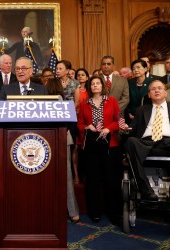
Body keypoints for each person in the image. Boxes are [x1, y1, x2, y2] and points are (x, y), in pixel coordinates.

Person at [124, 80, 170, 202]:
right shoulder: (141, 110)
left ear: (165, 92)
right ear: (149, 94)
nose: (157, 90)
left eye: (159, 88)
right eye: (153, 89)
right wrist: (126, 129)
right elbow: (133, 128)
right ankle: (146, 191)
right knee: (131, 141)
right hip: (146, 143)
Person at [77, 75, 121, 224]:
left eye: (98, 83)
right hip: (91, 146)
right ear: (90, 87)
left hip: (110, 145)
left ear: (102, 86)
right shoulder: (84, 103)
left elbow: (118, 120)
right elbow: (79, 123)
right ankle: (94, 212)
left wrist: (109, 128)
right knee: (93, 181)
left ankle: (113, 212)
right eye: (93, 84)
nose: (95, 85)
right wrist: (86, 127)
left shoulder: (112, 101)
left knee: (111, 180)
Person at [46, 77, 80, 223]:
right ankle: (73, 212)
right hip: (60, 139)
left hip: (55, 139)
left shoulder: (54, 99)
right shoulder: (64, 100)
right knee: (66, 176)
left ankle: (58, 211)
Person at [126, 59, 154, 123]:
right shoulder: (129, 83)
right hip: (132, 116)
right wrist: (129, 112)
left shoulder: (152, 82)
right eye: (133, 69)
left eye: (138, 67)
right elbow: (126, 99)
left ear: (145, 69)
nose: (135, 70)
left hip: (148, 115)